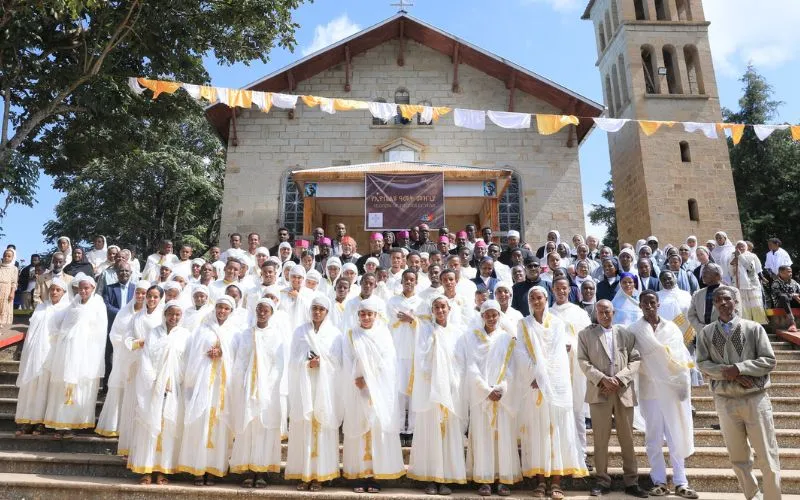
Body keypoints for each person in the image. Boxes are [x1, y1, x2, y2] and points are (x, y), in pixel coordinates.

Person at [696, 286, 781, 500]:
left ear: (735, 301)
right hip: (725, 402)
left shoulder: (753, 328)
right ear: (714, 305)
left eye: (726, 299)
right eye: (718, 300)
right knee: (738, 458)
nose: (722, 303)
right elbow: (702, 363)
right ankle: (753, 496)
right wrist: (729, 373)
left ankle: (773, 497)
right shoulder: (706, 332)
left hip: (755, 399)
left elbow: (769, 360)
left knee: (767, 456)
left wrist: (741, 368)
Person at [518, 287, 588, 499]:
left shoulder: (557, 324)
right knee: (538, 431)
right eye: (532, 298)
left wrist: (545, 378)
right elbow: (521, 352)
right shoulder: (523, 324)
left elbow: (558, 355)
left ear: (546, 299)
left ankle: (556, 481)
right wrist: (535, 376)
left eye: (539, 297)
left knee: (557, 431)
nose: (536, 301)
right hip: (533, 384)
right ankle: (540, 481)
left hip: (556, 385)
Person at [628, 290, 698, 499]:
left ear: (658, 304)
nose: (649, 306)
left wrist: (681, 386)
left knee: (676, 435)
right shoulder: (634, 330)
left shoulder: (672, 328)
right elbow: (636, 360)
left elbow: (680, 358)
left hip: (672, 390)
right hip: (650, 390)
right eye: (644, 303)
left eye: (652, 302)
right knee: (653, 438)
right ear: (640, 306)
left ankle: (680, 482)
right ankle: (659, 481)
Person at [577, 300, 646, 498]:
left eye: (607, 311)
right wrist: (602, 380)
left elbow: (635, 360)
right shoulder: (586, 335)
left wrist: (618, 379)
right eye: (600, 312)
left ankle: (631, 481)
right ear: (595, 314)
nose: (604, 315)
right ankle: (601, 480)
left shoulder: (626, 334)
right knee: (600, 439)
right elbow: (583, 361)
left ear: (613, 312)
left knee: (627, 439)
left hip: (622, 392)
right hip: (599, 393)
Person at [340, 297, 405, 493]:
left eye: (370, 314)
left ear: (376, 315)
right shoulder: (351, 335)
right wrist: (357, 379)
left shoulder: (383, 334)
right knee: (358, 430)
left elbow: (388, 364)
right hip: (356, 388)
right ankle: (360, 475)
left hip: (378, 392)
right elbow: (346, 360)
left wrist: (369, 380)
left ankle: (375, 476)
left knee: (377, 430)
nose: (366, 317)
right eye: (362, 314)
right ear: (357, 315)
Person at [459, 300, 521, 496]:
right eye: (488, 314)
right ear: (482, 316)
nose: (492, 318)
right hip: (482, 396)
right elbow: (471, 367)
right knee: (483, 437)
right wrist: (486, 390)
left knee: (502, 437)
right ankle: (484, 479)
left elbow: (511, 367)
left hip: (502, 396)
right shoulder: (472, 338)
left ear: (499, 316)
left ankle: (503, 480)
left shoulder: (506, 338)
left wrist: (500, 388)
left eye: (495, 314)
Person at [126, 301, 191, 485]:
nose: (174, 318)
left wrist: (172, 381)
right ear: (165, 314)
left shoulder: (186, 336)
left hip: (173, 389)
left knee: (167, 429)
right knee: (148, 427)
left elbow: (186, 363)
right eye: (171, 314)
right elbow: (146, 359)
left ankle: (163, 470)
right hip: (151, 388)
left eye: (178, 314)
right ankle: (147, 469)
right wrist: (155, 381)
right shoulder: (154, 332)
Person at [408, 295, 467, 495]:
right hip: (431, 390)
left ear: (449, 309)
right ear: (431, 310)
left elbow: (461, 360)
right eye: (436, 307)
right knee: (431, 434)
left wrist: (453, 380)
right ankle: (431, 478)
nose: (440, 310)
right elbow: (421, 359)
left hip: (451, 390)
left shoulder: (458, 332)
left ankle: (446, 478)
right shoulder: (426, 331)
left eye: (443, 307)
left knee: (449, 434)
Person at [178, 296, 238, 485]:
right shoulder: (202, 330)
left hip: (222, 385)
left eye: (226, 308)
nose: (221, 311)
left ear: (231, 311)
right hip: (203, 383)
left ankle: (213, 469)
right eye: (219, 307)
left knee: (218, 425)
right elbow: (193, 355)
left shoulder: (234, 332)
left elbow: (237, 359)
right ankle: (198, 468)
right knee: (201, 423)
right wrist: (207, 355)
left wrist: (222, 353)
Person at [285, 295, 342, 491]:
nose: (317, 312)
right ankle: (305, 474)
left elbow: (338, 364)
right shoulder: (300, 332)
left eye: (321, 309)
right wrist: (307, 363)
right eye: (314, 308)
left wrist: (322, 364)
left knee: (322, 429)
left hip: (325, 389)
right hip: (305, 386)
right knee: (305, 430)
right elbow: (292, 361)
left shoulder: (335, 334)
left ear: (327, 312)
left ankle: (321, 476)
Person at [229, 298, 285, 487]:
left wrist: (267, 385)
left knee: (264, 428)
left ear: (271, 313)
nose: (262, 313)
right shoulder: (246, 334)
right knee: (249, 428)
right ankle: (248, 470)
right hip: (248, 388)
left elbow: (278, 364)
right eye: (259, 309)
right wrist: (240, 384)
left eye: (266, 310)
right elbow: (241, 360)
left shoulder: (276, 335)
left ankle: (261, 471)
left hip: (268, 390)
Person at [44, 274, 108, 438]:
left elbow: (100, 331)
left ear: (93, 288)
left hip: (86, 354)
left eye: (86, 288)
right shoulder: (73, 304)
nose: (83, 290)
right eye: (81, 287)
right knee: (63, 389)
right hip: (68, 352)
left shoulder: (98, 304)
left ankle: (76, 423)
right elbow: (61, 323)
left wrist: (82, 337)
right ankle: (61, 425)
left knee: (80, 389)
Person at [96, 279, 150, 438]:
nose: (140, 296)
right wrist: (129, 344)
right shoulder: (124, 312)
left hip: (143, 360)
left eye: (144, 293)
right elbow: (114, 334)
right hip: (124, 358)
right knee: (120, 390)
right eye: (138, 292)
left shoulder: (153, 315)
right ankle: (115, 426)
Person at [15, 279, 70, 435]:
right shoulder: (40, 307)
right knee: (31, 387)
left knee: (46, 388)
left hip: (51, 354)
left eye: (57, 290)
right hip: (34, 354)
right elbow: (32, 331)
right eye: (52, 289)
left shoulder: (66, 309)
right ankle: (27, 420)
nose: (53, 292)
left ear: (63, 292)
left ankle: (42, 422)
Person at [549, 276, 593, 470]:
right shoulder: (547, 314)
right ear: (552, 290)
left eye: (564, 288)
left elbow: (586, 341)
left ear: (569, 290)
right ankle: (559, 456)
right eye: (557, 288)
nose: (561, 291)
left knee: (577, 412)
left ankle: (581, 454)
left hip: (575, 370)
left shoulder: (579, 313)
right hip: (555, 371)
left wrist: (571, 346)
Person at [386, 270, 424, 442]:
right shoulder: (393, 301)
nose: (409, 282)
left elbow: (425, 325)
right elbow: (389, 321)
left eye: (412, 279)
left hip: (415, 352)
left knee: (415, 391)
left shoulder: (422, 302)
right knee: (399, 391)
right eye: (406, 279)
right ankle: (400, 428)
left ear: (416, 281)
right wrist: (403, 318)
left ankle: (414, 429)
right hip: (397, 351)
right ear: (401, 282)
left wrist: (413, 320)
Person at [100, 263, 135, 387]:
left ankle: (126, 383)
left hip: (131, 327)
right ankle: (107, 385)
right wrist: (122, 313)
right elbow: (106, 305)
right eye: (121, 270)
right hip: (113, 326)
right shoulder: (109, 288)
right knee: (110, 355)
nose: (124, 273)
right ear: (116, 273)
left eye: (127, 270)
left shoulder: (136, 289)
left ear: (131, 273)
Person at [687, 264, 742, 342]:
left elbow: (737, 313)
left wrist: (719, 329)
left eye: (707, 271)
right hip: (703, 335)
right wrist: (703, 329)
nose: (703, 274)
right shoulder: (697, 294)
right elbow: (691, 315)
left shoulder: (732, 291)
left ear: (717, 275)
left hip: (725, 335)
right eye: (703, 271)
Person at [730, 240, 767, 324]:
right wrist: (735, 258)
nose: (740, 248)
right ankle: (746, 323)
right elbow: (730, 269)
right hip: (739, 285)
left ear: (746, 247)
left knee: (755, 304)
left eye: (742, 246)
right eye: (738, 246)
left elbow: (750, 268)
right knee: (743, 306)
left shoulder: (752, 256)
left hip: (751, 285)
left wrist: (740, 257)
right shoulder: (732, 256)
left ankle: (759, 323)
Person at [771, 265, 800, 331]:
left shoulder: (794, 282)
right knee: (784, 297)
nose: (791, 273)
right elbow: (779, 295)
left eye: (791, 272)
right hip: (780, 304)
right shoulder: (776, 283)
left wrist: (796, 296)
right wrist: (793, 295)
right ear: (781, 273)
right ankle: (792, 323)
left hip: (792, 302)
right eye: (789, 272)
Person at [0, 248, 18, 326]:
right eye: (5, 255)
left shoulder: (14, 268)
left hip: (7, 289)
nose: (6, 257)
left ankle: (3, 324)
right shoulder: (0, 267)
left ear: (12, 257)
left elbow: (14, 282)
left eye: (9, 256)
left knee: (5, 307)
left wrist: (12, 292)